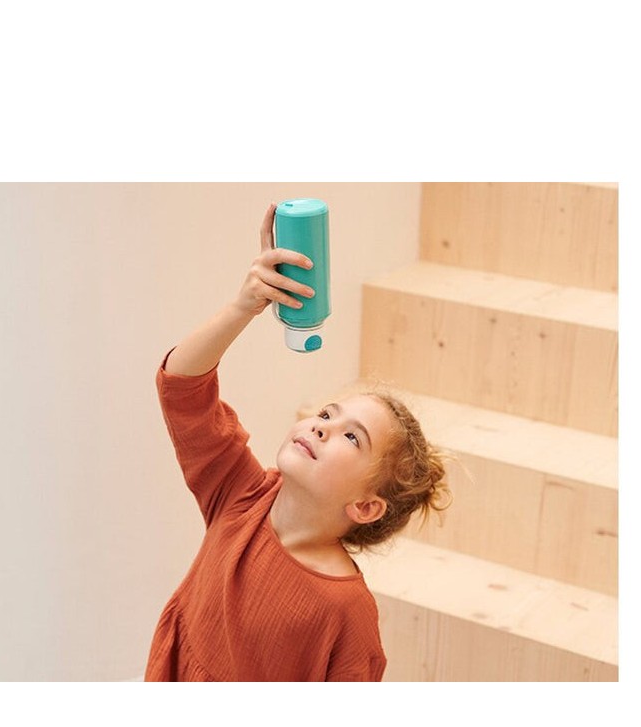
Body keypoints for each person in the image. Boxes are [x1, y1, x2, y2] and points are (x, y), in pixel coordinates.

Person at [144, 203, 450, 681]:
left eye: (352, 436)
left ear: (366, 506)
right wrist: (243, 306)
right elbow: (182, 388)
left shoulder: (346, 614)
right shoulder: (242, 495)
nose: (322, 426)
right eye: (327, 414)